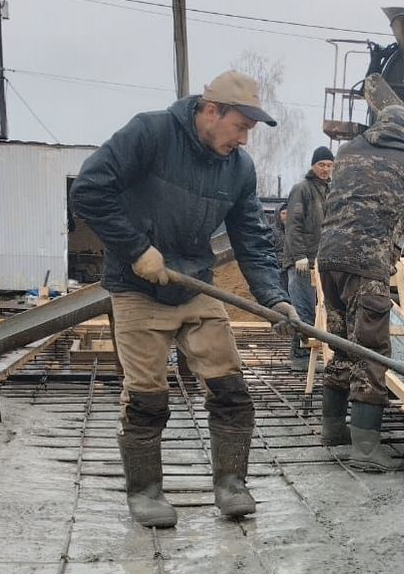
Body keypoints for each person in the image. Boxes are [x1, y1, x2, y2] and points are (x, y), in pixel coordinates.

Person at [70, 70, 299, 529]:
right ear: (211, 112)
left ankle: (231, 485)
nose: (244, 139)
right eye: (240, 127)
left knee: (231, 390)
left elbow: (252, 238)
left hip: (195, 284)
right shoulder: (150, 133)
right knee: (147, 398)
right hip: (138, 289)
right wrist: (136, 249)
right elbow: (89, 192)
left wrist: (274, 298)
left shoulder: (238, 169)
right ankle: (146, 491)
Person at [316, 105, 404, 470]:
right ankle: (366, 449)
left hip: (329, 257)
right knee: (371, 349)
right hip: (367, 264)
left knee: (340, 343)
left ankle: (333, 428)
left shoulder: (347, 151)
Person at [284, 146, 335, 371]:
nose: (325, 169)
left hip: (320, 261)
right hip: (302, 262)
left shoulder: (330, 192)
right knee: (302, 308)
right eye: (321, 165)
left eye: (329, 165)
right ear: (313, 166)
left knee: (316, 312)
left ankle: (311, 353)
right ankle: (299, 357)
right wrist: (299, 256)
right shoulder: (302, 189)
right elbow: (293, 225)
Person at [270, 203, 288, 293]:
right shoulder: (271, 231)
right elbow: (268, 250)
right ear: (278, 215)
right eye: (283, 213)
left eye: (288, 214)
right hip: (278, 269)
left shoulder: (294, 230)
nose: (286, 216)